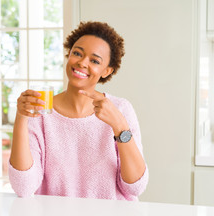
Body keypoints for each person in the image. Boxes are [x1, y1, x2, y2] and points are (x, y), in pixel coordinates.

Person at [9, 21, 148, 201]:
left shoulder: (120, 109)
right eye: (77, 53)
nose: (82, 63)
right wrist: (21, 117)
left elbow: (135, 187)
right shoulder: (42, 111)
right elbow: (23, 187)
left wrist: (120, 126)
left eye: (95, 60)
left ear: (106, 71)